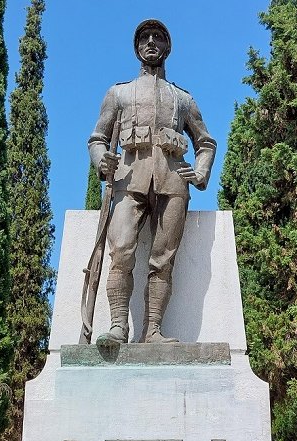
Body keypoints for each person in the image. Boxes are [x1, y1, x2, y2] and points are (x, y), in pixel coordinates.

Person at [88, 18, 216, 345]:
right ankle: (119, 326)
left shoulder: (183, 99)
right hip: (128, 179)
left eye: (158, 37)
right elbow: (97, 138)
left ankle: (153, 330)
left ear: (167, 47)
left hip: (173, 182)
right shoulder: (119, 93)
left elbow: (206, 142)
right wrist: (101, 160)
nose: (151, 42)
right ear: (136, 47)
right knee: (121, 250)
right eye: (144, 37)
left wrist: (201, 172)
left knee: (163, 259)